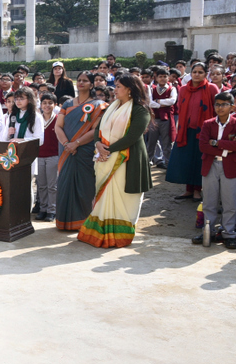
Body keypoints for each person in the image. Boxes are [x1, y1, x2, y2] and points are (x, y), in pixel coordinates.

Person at [77, 76, 153, 248]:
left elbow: (132, 137)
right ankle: (99, 233)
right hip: (105, 157)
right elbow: (98, 129)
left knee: (124, 198)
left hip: (128, 160)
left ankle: (119, 236)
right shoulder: (112, 107)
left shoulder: (140, 110)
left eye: (118, 87)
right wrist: (98, 144)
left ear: (129, 89)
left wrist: (107, 150)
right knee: (105, 196)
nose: (115, 90)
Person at [192, 92, 236, 249]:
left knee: (230, 202)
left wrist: (215, 143)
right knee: (209, 201)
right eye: (217, 104)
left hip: (230, 166)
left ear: (232, 106)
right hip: (211, 165)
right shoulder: (208, 123)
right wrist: (224, 149)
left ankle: (228, 233)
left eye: (224, 104)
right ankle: (208, 231)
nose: (220, 108)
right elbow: (203, 146)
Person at [54, 72, 106, 232]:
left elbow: (95, 129)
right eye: (79, 80)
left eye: (85, 81)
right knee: (64, 184)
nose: (81, 83)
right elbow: (58, 126)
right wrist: (66, 144)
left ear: (92, 84)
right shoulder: (67, 103)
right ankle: (63, 222)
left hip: (84, 150)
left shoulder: (99, 105)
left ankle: (83, 221)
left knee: (84, 186)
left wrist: (76, 143)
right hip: (66, 150)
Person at [166, 63, 219, 202]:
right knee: (186, 160)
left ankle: (197, 190)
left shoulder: (212, 88)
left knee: (199, 161)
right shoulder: (183, 89)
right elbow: (181, 108)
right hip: (186, 131)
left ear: (205, 74)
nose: (197, 74)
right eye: (194, 71)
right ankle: (188, 190)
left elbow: (217, 109)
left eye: (200, 72)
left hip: (204, 131)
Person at [146, 66, 178, 169]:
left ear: (168, 78)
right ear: (156, 77)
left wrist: (158, 101)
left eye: (165, 76)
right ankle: (147, 162)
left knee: (167, 143)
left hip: (166, 119)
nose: (163, 78)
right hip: (154, 119)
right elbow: (150, 103)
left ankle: (169, 164)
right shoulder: (152, 88)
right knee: (151, 142)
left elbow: (172, 101)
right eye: (160, 76)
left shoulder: (172, 88)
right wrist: (164, 103)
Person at [35, 93, 60, 222]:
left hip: (53, 156)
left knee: (52, 185)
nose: (47, 105)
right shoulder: (37, 119)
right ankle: (43, 209)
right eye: (44, 103)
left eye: (50, 103)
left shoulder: (58, 119)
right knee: (41, 185)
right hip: (39, 156)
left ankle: (52, 210)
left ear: (55, 105)